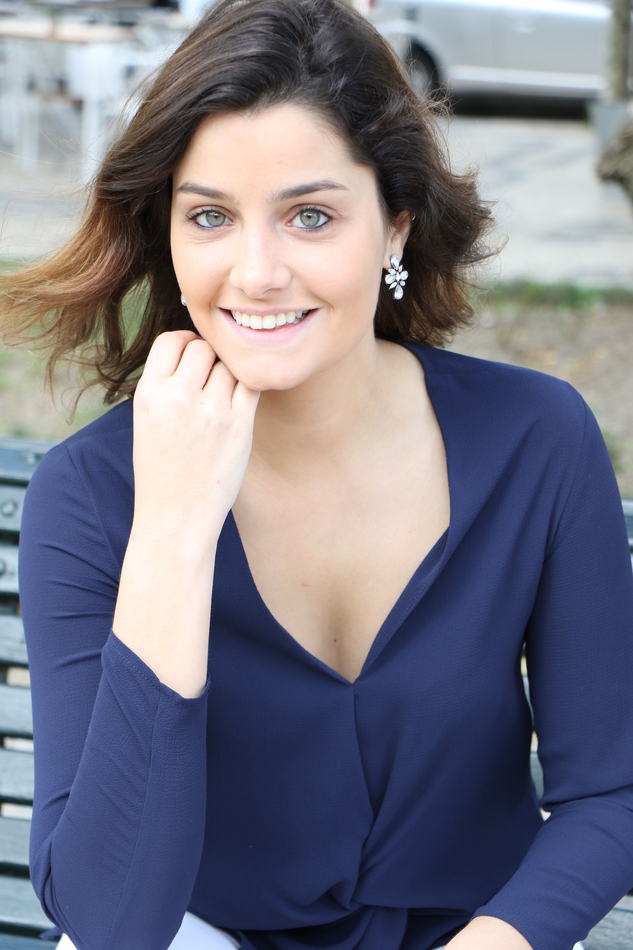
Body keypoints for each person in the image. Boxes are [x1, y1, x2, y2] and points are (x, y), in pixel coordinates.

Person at [4, 1, 633, 948]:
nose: (257, 272)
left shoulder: (535, 440)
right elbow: (112, 924)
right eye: (209, 216)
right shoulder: (91, 498)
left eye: (310, 216)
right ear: (167, 234)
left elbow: (608, 794)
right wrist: (174, 529)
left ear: (395, 228)